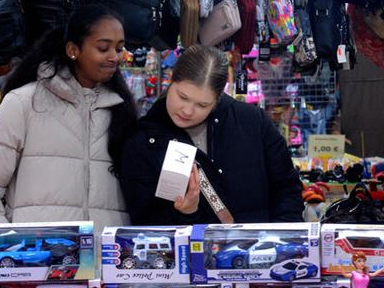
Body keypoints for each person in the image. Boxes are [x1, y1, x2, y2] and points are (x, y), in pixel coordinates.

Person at [0, 4, 137, 226]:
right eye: (103, 48)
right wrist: (6, 243)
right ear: (73, 50)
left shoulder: (122, 111)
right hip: (37, 256)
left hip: (107, 257)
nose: (114, 57)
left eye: (119, 49)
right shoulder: (23, 103)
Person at [120, 45, 304, 224]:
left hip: (261, 250)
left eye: (202, 105)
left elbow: (287, 187)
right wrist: (187, 214)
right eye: (182, 97)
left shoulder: (252, 122)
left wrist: (280, 240)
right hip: (188, 254)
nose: (188, 110)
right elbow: (143, 221)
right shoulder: (144, 141)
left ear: (217, 99)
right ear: (171, 81)